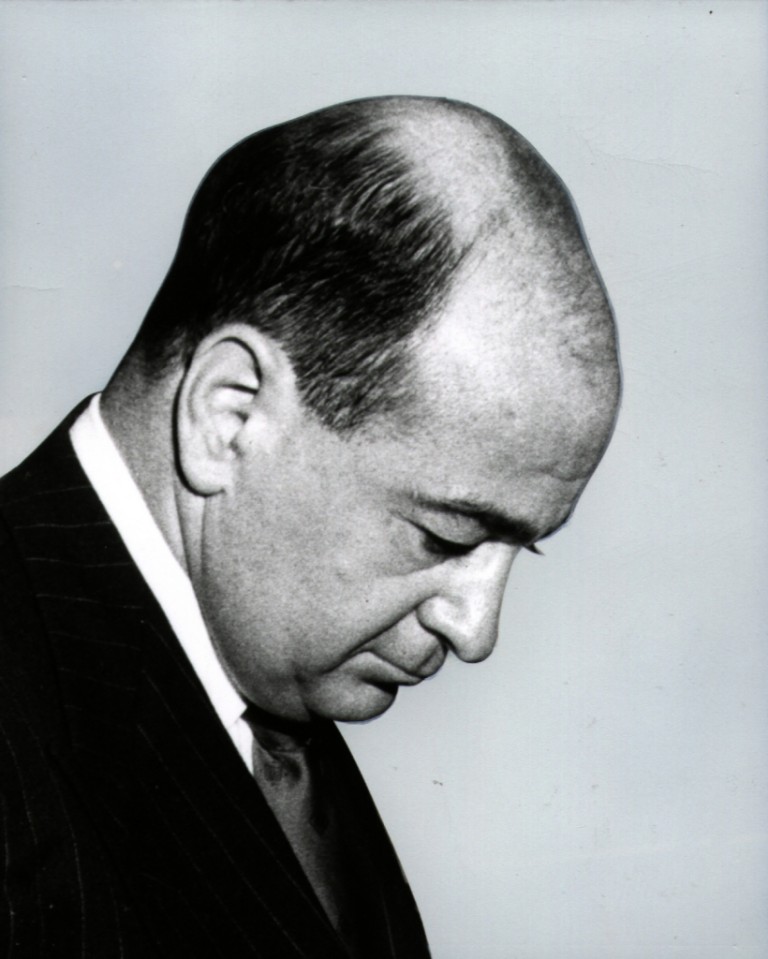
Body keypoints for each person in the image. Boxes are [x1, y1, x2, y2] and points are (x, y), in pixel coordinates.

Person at [0, 96, 620, 957]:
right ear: (229, 415)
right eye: (444, 536)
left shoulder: (264, 694)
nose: (477, 630)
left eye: (520, 545)